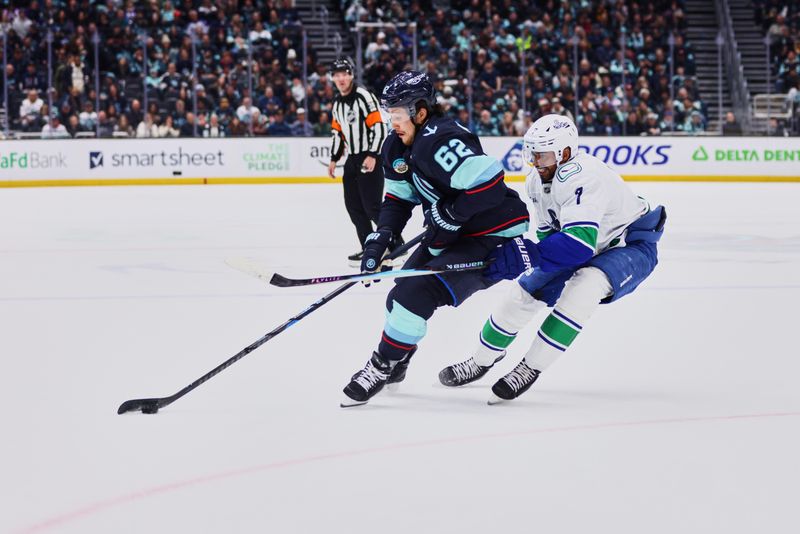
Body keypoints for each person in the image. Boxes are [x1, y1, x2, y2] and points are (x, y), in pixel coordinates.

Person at [437, 114, 666, 403]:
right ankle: (481, 360)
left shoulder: (584, 176)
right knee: (523, 293)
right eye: (531, 153)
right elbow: (549, 238)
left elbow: (579, 245)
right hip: (586, 244)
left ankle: (529, 367)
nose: (534, 161)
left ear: (565, 153)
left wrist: (529, 254)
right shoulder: (536, 181)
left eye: (541, 154)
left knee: (586, 286)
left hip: (629, 245)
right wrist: (525, 259)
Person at [340, 71, 531, 407]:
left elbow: (490, 183)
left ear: (421, 111)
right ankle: (398, 358)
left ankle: (381, 364)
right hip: (453, 232)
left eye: (398, 116)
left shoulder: (439, 140)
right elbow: (398, 200)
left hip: (491, 234)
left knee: (417, 293)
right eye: (390, 116)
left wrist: (453, 213)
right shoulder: (396, 146)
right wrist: (380, 237)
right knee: (398, 297)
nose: (393, 123)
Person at [327, 57, 390, 265]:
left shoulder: (364, 96)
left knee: (372, 206)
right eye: (337, 74)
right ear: (332, 78)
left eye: (344, 73)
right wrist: (334, 159)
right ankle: (369, 248)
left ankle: (395, 245)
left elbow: (379, 127)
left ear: (351, 75)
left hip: (368, 156)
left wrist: (373, 155)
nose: (341, 78)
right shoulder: (337, 103)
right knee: (354, 207)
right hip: (352, 160)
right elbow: (338, 133)